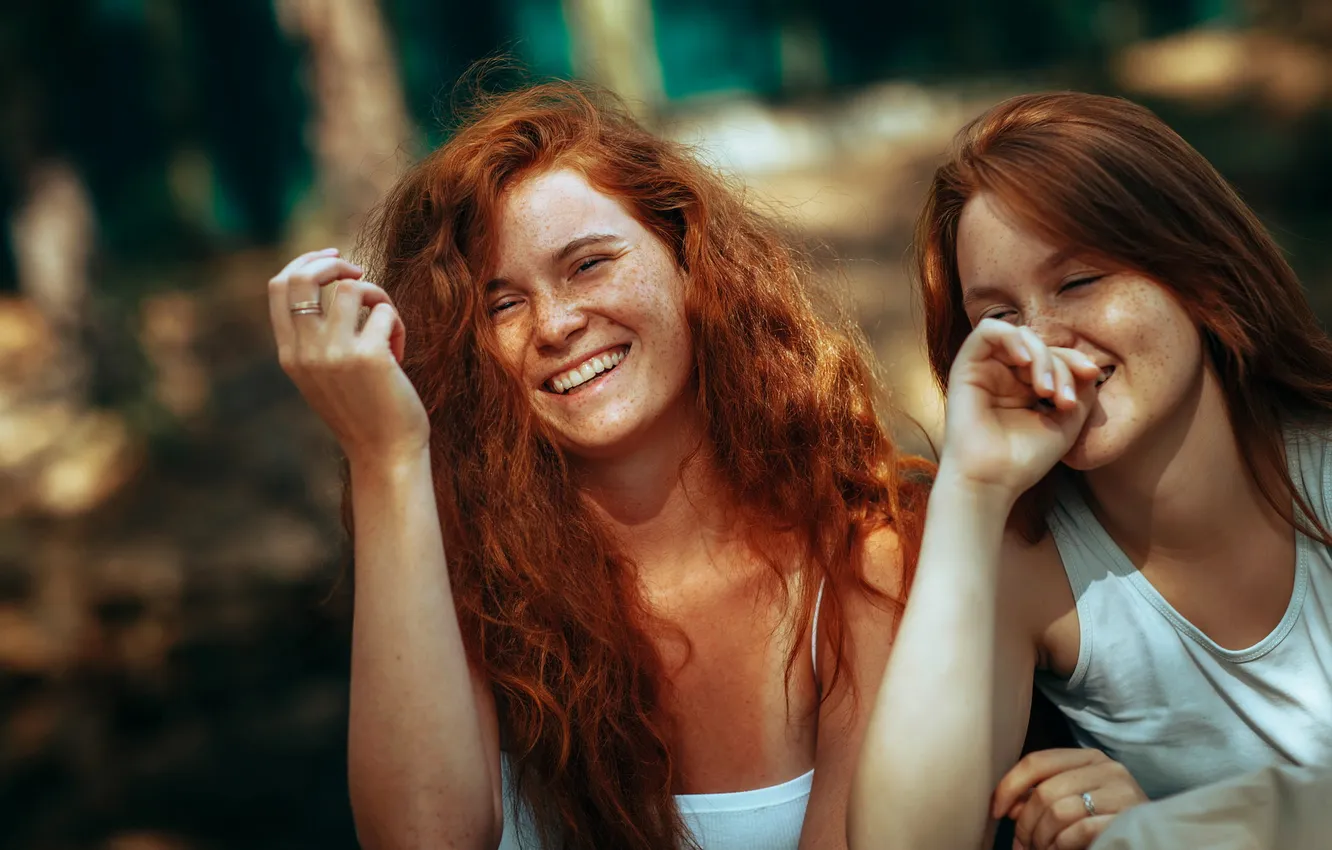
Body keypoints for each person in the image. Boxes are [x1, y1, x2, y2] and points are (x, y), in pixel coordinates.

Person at [267, 80, 930, 850]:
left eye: (587, 265)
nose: (554, 324)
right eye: (501, 305)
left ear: (689, 260)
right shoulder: (470, 588)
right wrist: (384, 459)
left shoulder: (863, 557)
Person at [849, 92, 1332, 850]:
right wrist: (972, 492)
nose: (1044, 346)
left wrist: (1174, 829)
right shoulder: (1031, 564)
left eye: (1080, 282)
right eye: (999, 319)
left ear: (1200, 273)